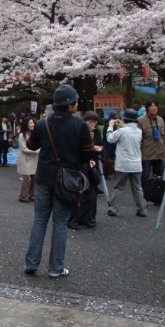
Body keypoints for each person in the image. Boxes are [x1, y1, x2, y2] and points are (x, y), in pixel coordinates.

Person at [23, 84, 94, 278]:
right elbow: (88, 152)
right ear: (70, 104)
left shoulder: (42, 123)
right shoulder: (79, 125)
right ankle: (56, 268)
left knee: (39, 220)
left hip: (44, 175)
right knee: (60, 223)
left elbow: (31, 145)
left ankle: (31, 263)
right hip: (67, 179)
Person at [106, 109, 146, 217]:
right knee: (137, 188)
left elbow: (110, 139)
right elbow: (129, 131)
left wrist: (110, 127)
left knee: (119, 187)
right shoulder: (139, 131)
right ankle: (142, 209)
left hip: (123, 164)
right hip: (136, 164)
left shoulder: (121, 131)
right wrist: (122, 125)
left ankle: (113, 209)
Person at [68, 111, 102, 229]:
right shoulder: (77, 140)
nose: (92, 134)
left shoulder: (89, 138)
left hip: (86, 169)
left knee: (90, 195)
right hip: (79, 170)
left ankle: (86, 219)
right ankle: (74, 220)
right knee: (79, 195)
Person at [137, 99, 165, 194]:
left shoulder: (160, 119)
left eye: (155, 106)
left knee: (158, 176)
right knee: (145, 176)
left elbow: (164, 136)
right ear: (147, 108)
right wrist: (139, 152)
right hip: (146, 153)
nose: (153, 108)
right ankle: (143, 195)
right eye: (151, 106)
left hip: (159, 152)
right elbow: (138, 138)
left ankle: (156, 195)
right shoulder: (141, 120)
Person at [16, 117, 38, 203]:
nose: (32, 125)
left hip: (33, 158)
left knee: (34, 177)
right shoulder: (22, 135)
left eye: (33, 123)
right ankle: (23, 196)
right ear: (26, 124)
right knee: (26, 178)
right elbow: (24, 149)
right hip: (24, 159)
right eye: (30, 123)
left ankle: (32, 195)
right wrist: (37, 151)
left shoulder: (34, 134)